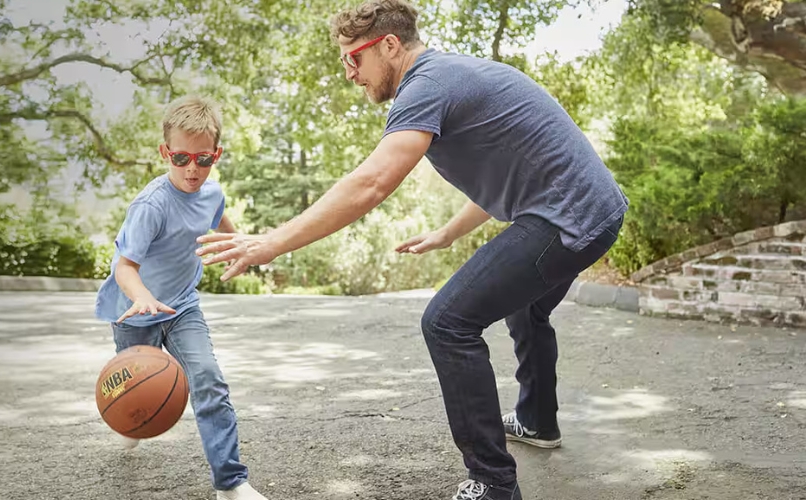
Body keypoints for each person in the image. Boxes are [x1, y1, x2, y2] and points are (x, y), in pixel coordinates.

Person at [196, 0, 629, 498]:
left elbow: (373, 182)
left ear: (389, 45)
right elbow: (511, 177)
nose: (349, 74)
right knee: (525, 306)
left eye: (352, 59)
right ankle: (537, 421)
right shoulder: (449, 74)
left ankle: (493, 484)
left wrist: (271, 242)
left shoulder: (425, 83)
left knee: (447, 322)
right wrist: (447, 233)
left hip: (569, 217)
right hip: (594, 209)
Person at [94, 95, 269, 500]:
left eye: (203, 159)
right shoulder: (150, 206)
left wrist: (239, 247)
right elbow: (124, 267)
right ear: (165, 153)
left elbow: (221, 223)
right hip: (134, 310)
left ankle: (231, 482)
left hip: (182, 306)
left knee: (208, 377)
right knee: (134, 391)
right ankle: (131, 422)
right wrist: (142, 299)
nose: (193, 168)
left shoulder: (212, 193)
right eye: (181, 158)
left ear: (216, 155)